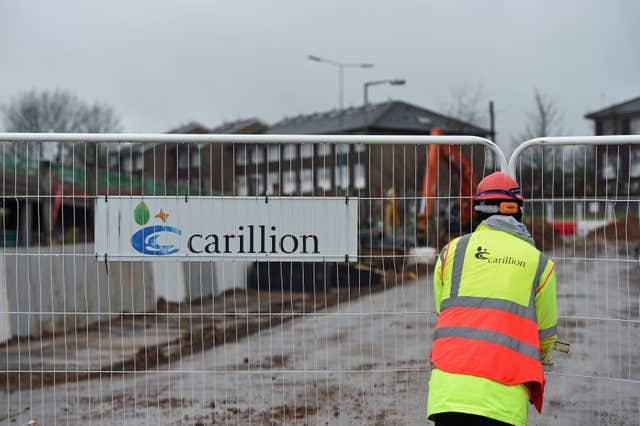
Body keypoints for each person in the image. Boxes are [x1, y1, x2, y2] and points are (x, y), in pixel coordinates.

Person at [426, 172, 558, 426]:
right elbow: (546, 337)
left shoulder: (451, 252)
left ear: (477, 211)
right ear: (518, 212)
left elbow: (445, 313)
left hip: (447, 396)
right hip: (503, 401)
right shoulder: (540, 264)